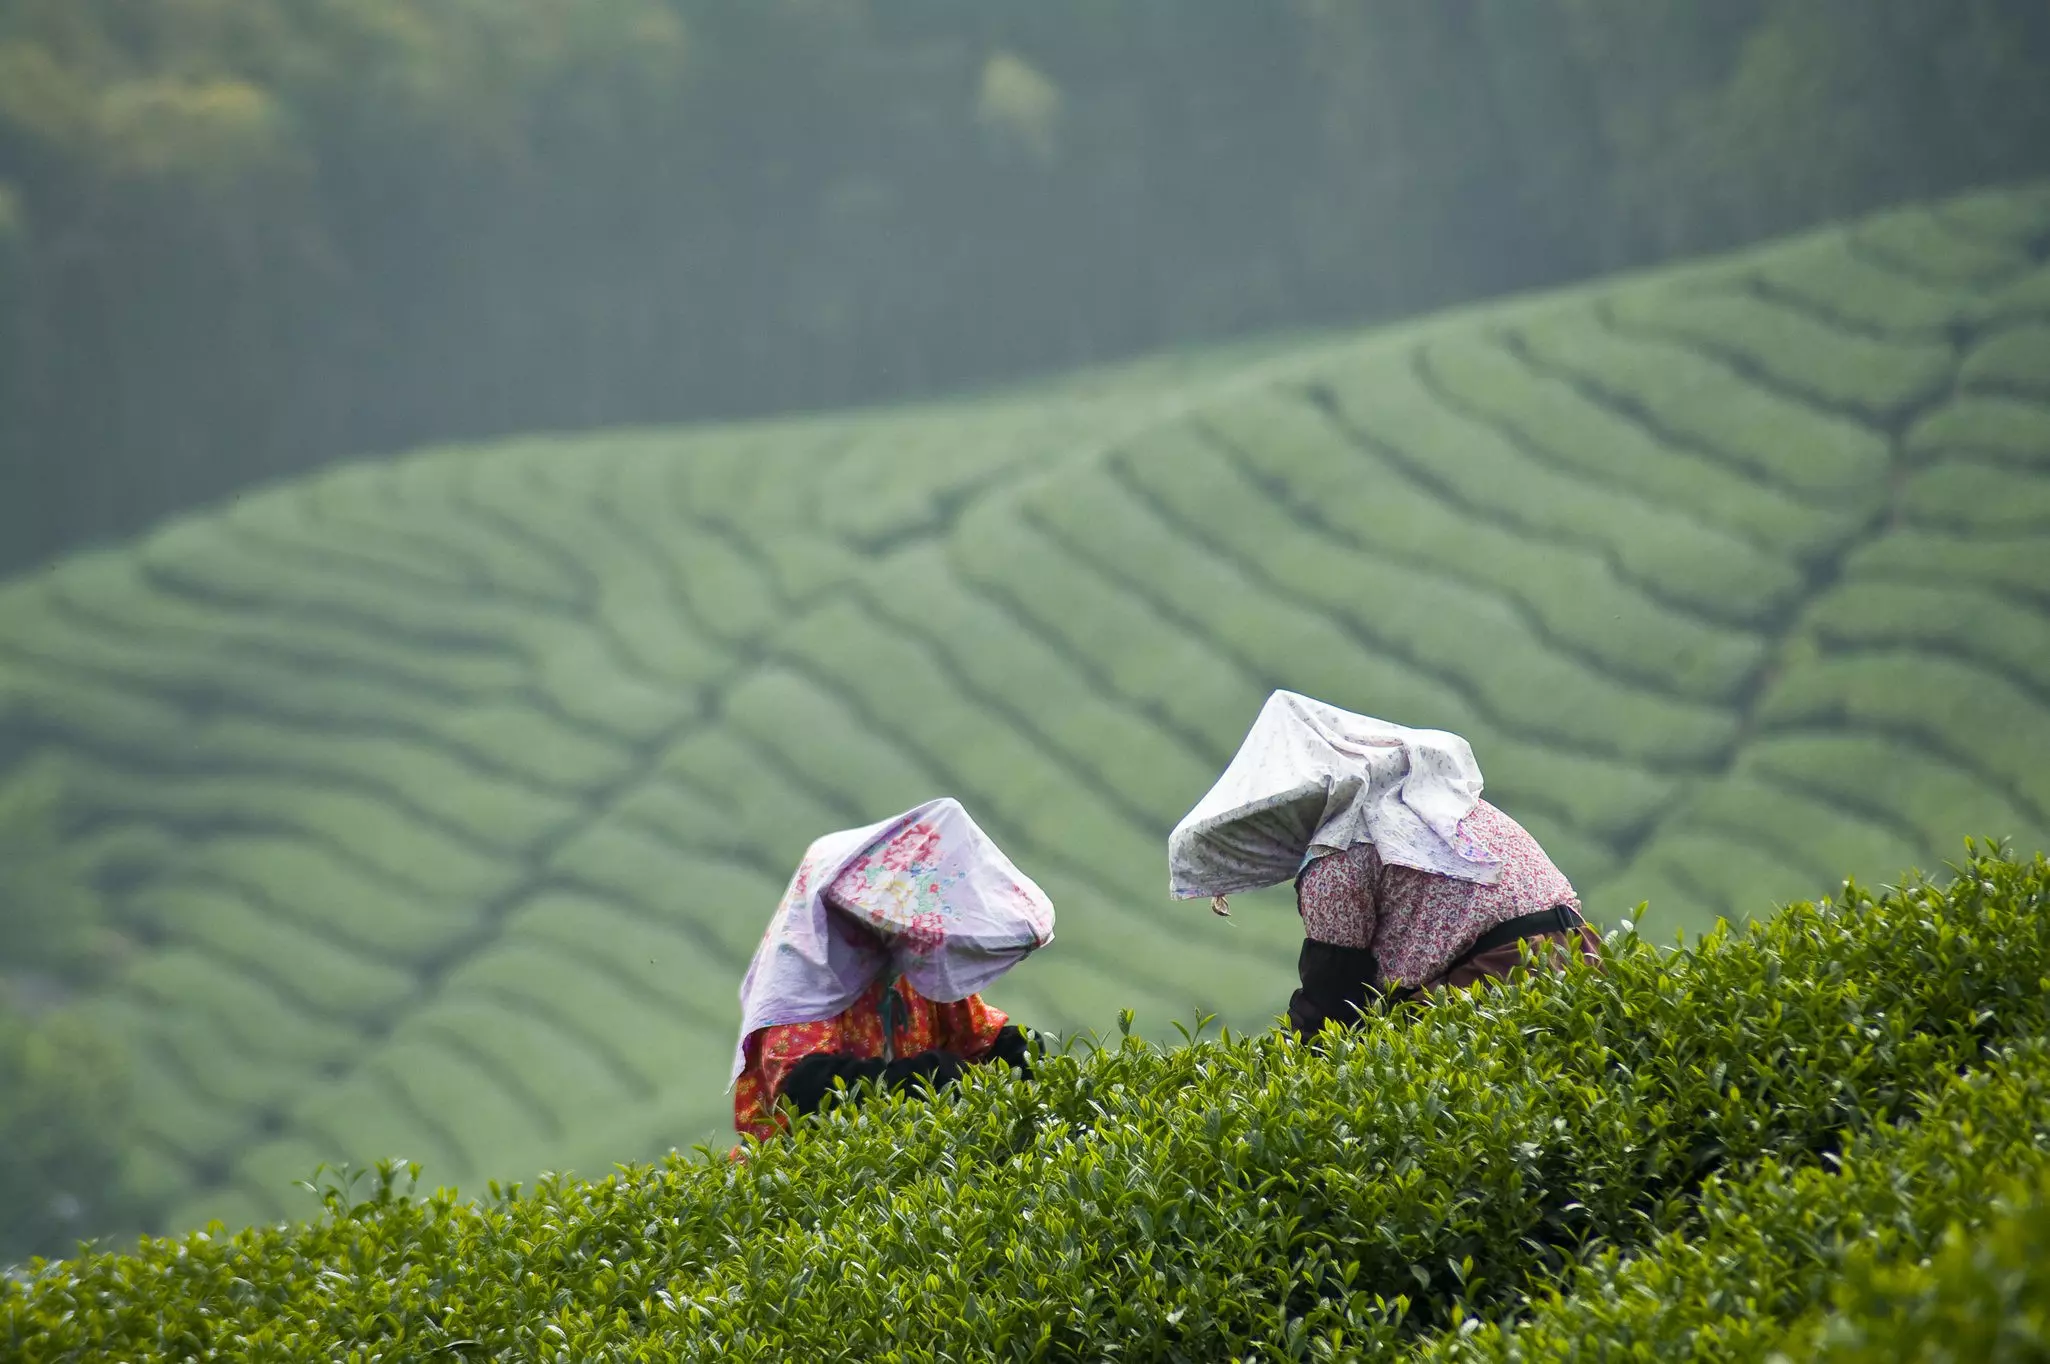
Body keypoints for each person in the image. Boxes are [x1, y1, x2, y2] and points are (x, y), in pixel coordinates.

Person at [1168, 691, 1600, 1037]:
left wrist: (1273, 1071)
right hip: (1584, 955)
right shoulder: (1444, 805)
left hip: (1493, 982)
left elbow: (1333, 1001)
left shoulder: (1336, 861)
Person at [731, 796, 1055, 1143]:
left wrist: (1016, 1050)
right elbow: (807, 1093)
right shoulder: (804, 980)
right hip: (809, 1176)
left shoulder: (907, 963)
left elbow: (975, 1036)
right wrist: (927, 1077)